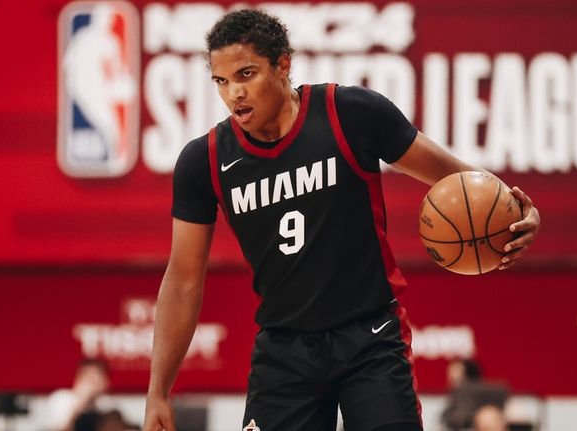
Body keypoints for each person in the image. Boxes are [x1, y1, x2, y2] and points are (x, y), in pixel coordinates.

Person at [143, 8, 541, 431]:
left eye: (245, 74)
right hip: (283, 350)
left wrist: (517, 210)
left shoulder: (349, 113)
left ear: (283, 65)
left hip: (369, 338)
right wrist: (157, 390)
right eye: (221, 81)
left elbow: (458, 178)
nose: (233, 94)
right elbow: (184, 280)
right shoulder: (203, 161)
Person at [45, 358, 112, 431]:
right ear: (78, 377)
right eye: (90, 378)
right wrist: (84, 399)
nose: (94, 383)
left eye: (99, 377)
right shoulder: (61, 398)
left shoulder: (107, 404)